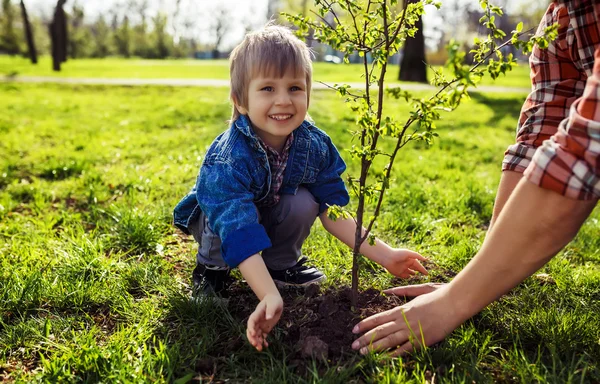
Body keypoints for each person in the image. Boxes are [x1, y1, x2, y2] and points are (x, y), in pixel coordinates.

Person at [351, 0, 600, 356]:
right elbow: (543, 128)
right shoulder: (564, 16)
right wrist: (479, 278)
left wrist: (453, 303)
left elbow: (584, 153)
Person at [173, 24, 429, 352]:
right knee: (217, 220)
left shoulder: (313, 145)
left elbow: (333, 212)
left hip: (270, 209)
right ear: (241, 101)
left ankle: (281, 267)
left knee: (306, 201)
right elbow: (238, 229)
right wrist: (266, 296)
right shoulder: (228, 158)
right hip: (224, 224)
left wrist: (386, 255)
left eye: (295, 87)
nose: (283, 100)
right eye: (267, 88)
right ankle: (211, 272)